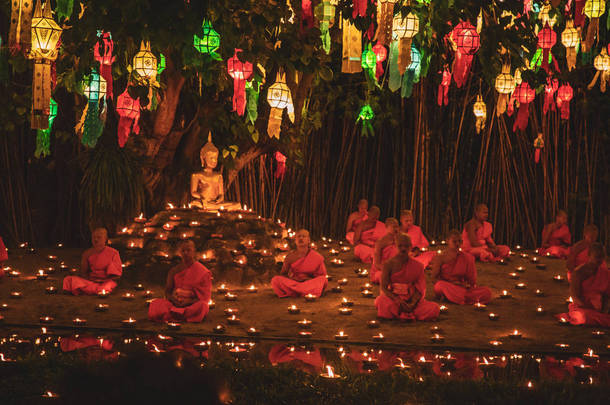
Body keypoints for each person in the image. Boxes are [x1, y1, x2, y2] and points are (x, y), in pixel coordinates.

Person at [375, 233, 440, 321]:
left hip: (411, 300)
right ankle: (406, 314)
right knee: (381, 301)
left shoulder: (418, 266)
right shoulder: (388, 264)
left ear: (410, 247)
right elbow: (384, 287)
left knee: (434, 308)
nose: (403, 249)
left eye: (406, 246)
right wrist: (397, 299)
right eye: (400, 246)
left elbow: (420, 288)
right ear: (395, 246)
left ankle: (402, 313)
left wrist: (412, 303)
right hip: (394, 299)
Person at [149, 240, 212, 323]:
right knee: (155, 303)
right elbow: (168, 292)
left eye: (188, 250)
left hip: (192, 305)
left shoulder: (203, 272)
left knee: (203, 306)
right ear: (179, 252)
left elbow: (205, 297)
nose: (185, 253)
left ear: (194, 252)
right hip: (174, 304)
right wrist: (174, 301)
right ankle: (182, 316)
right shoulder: (174, 270)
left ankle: (173, 316)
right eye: (183, 251)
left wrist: (188, 302)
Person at [431, 230, 492, 305]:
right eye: (454, 241)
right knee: (439, 286)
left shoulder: (467, 258)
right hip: (447, 286)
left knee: (487, 292)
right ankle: (464, 298)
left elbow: (472, 281)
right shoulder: (440, 257)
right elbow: (434, 278)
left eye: (459, 241)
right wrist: (451, 283)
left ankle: (457, 298)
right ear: (447, 241)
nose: (457, 244)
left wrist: (463, 285)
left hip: (461, 288)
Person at [556, 243, 610, 327]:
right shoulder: (578, 273)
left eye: (602, 257)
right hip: (581, 308)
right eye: (597, 257)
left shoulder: (605, 273)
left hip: (598, 310)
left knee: (596, 317)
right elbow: (575, 296)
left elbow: (607, 296)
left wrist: (603, 310)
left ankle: (599, 318)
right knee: (582, 316)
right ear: (589, 255)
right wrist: (588, 307)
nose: (600, 260)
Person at [63, 228, 122, 295]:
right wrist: (90, 279)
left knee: (109, 285)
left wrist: (104, 280)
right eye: (94, 237)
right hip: (91, 281)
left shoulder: (113, 253)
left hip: (106, 282)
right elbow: (84, 272)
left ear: (105, 239)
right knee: (68, 279)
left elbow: (117, 275)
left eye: (99, 237)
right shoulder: (87, 253)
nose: (96, 240)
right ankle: (98, 291)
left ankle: (93, 290)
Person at [271, 229, 328, 297]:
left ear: (308, 240)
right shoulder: (290, 257)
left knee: (322, 280)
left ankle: (295, 292)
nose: (301, 238)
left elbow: (322, 275)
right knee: (276, 280)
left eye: (304, 236)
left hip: (309, 283)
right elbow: (283, 274)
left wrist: (308, 279)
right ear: (295, 240)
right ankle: (304, 292)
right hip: (295, 283)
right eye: (298, 236)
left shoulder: (316, 257)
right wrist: (293, 279)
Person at [370, 218, 400, 284]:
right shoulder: (381, 242)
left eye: (397, 226)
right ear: (387, 227)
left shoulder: (400, 240)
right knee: (382, 275)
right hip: (381, 270)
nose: (396, 229)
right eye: (393, 227)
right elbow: (376, 264)